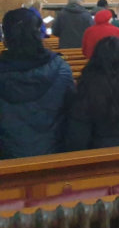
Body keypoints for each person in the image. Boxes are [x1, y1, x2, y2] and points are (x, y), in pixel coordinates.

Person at [0, 9, 74, 159]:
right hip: (55, 153)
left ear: (6, 38)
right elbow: (72, 112)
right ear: (39, 33)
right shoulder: (60, 68)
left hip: (8, 157)